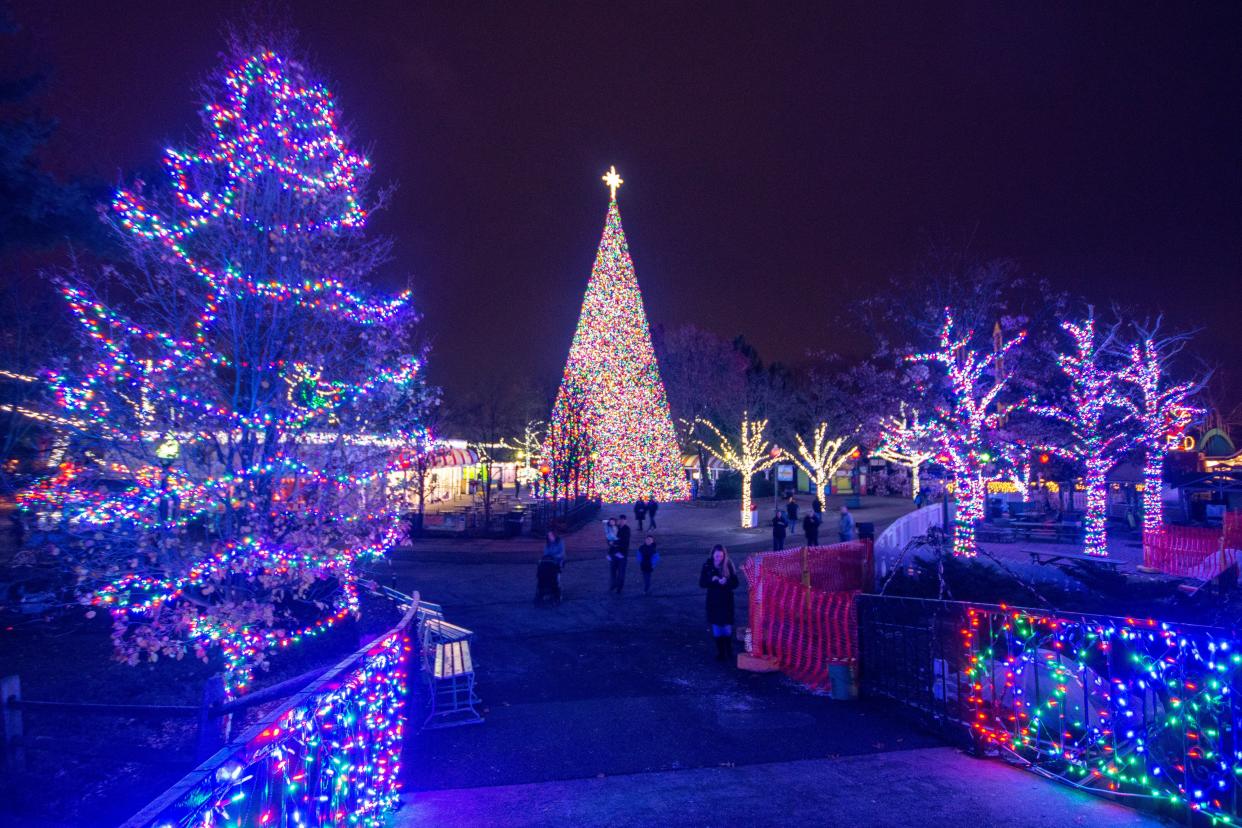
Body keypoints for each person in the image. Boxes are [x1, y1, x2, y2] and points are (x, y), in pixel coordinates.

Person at [700, 544, 740, 662]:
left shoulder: (729, 564)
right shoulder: (707, 566)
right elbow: (702, 583)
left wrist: (726, 582)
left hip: (726, 600)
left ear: (724, 555)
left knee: (727, 628)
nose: (718, 558)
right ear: (712, 555)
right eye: (716, 556)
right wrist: (712, 580)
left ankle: (729, 650)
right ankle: (721, 652)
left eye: (721, 556)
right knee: (717, 627)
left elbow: (735, 583)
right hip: (713, 600)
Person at [610, 515, 631, 593]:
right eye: (621, 520)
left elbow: (625, 541)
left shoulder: (627, 529)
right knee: (613, 570)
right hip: (614, 553)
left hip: (622, 553)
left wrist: (616, 543)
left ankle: (619, 587)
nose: (622, 521)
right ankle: (613, 584)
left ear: (625, 521)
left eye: (623, 520)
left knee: (621, 572)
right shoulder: (616, 528)